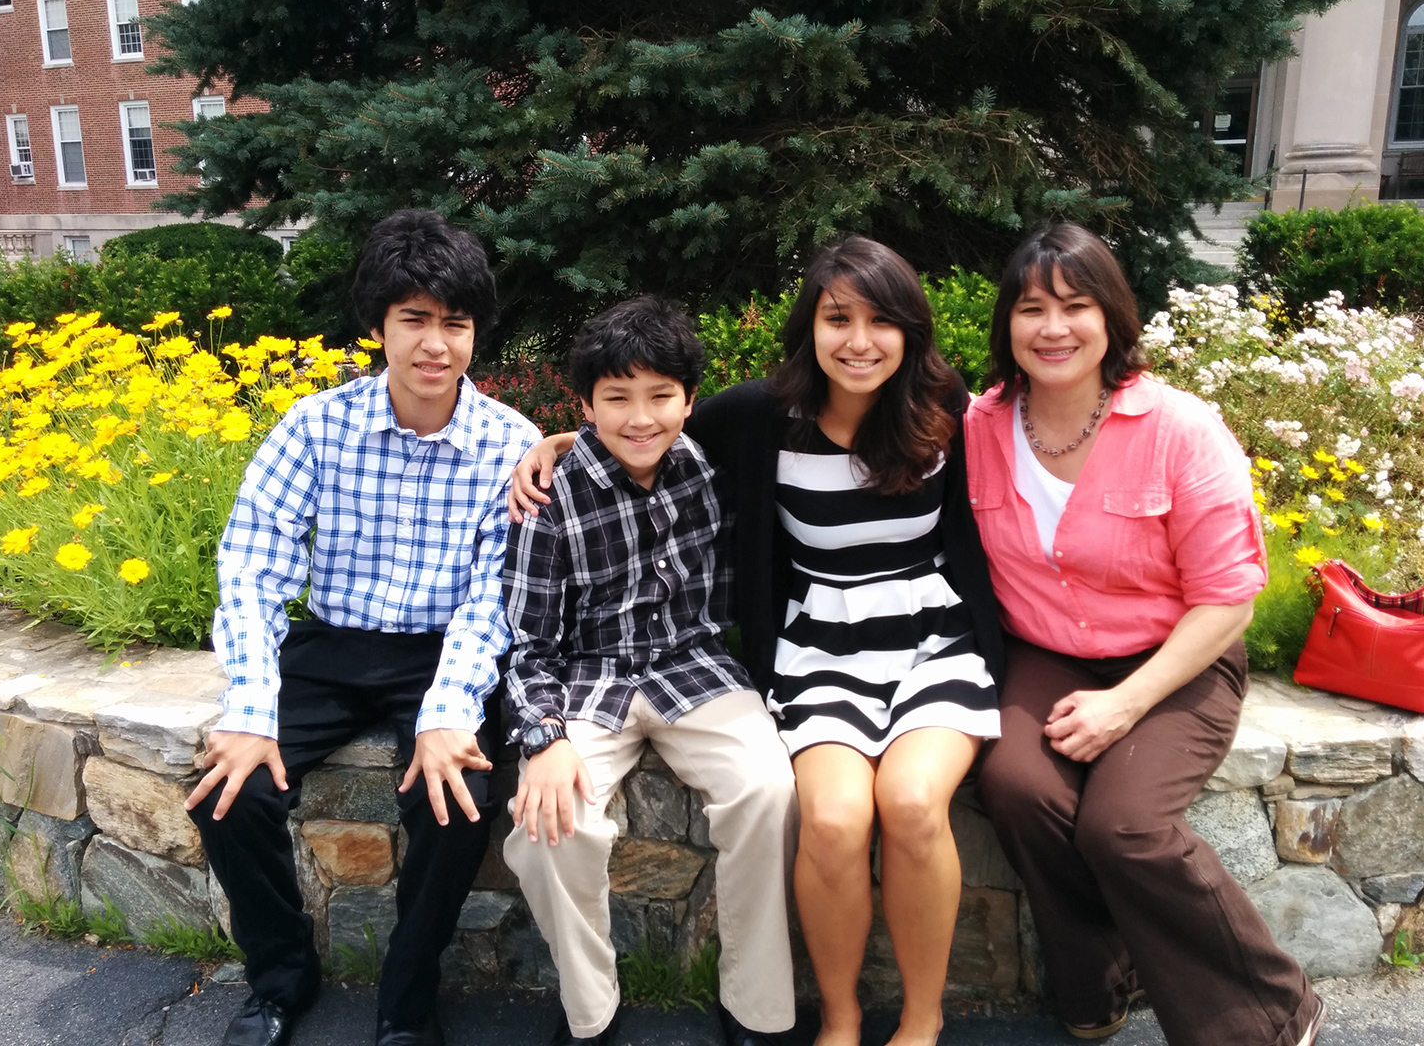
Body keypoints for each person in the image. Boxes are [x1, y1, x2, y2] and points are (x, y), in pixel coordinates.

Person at [512, 238, 1006, 1046]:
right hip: (802, 651)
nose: (859, 339)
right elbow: (643, 429)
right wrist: (559, 443)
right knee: (831, 819)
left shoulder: (942, 402)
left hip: (909, 644)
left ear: (911, 330)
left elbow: (654, 423)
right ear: (809, 326)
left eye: (881, 320)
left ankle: (885, 1017)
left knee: (890, 803)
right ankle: (806, 1017)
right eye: (837, 316)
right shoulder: (759, 418)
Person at [186, 209, 540, 1046]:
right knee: (229, 795)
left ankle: (406, 1001)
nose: (436, 345)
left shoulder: (508, 444)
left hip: (442, 652)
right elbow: (251, 562)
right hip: (333, 644)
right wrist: (247, 706)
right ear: (377, 325)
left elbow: (494, 596)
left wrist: (451, 711)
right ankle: (280, 981)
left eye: (455, 323)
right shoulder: (315, 426)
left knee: (457, 800)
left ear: (476, 332)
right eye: (414, 320)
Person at [968, 222, 1326, 1046]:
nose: (1052, 328)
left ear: (1112, 318)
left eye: (1075, 305)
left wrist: (1125, 704)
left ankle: (1271, 1011)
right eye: (1031, 309)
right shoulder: (981, 426)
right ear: (1007, 325)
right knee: (1019, 789)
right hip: (1045, 654)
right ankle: (1098, 981)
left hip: (1177, 660)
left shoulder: (1179, 429)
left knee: (1121, 826)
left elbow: (1229, 600)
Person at [501, 296, 797, 1046]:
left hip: (694, 669)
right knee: (548, 828)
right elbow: (529, 643)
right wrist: (544, 739)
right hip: (587, 681)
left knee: (769, 791)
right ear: (585, 404)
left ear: (689, 401)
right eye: (617, 399)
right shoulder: (552, 496)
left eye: (661, 397)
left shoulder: (708, 469)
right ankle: (591, 1014)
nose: (641, 418)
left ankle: (756, 1007)